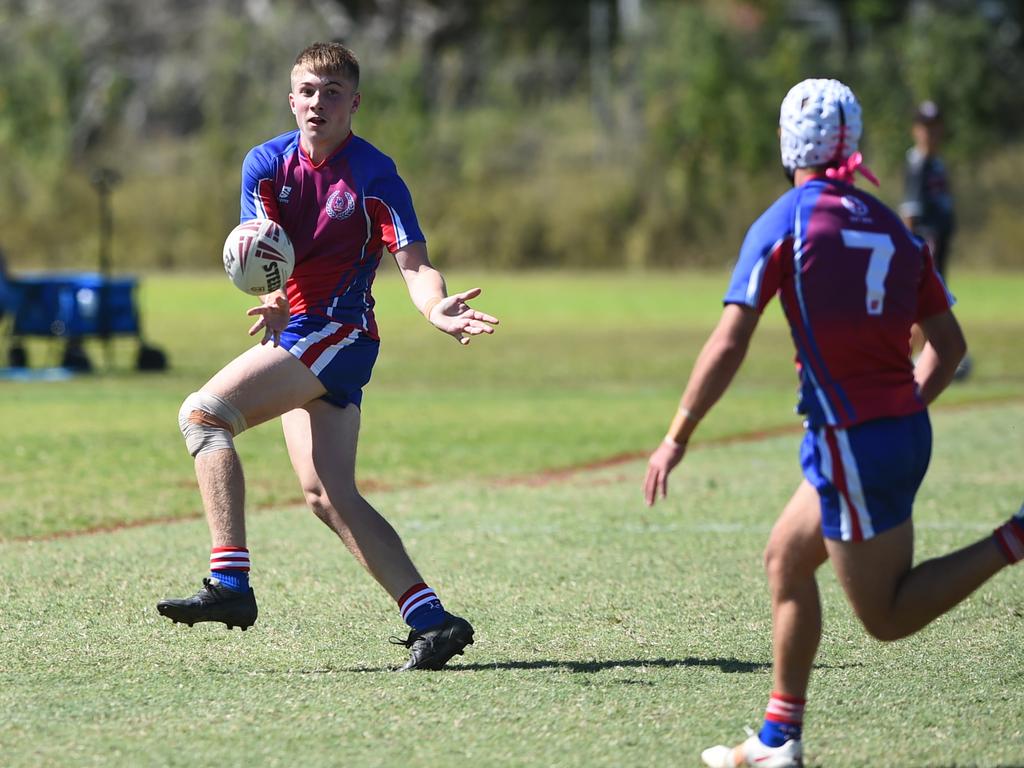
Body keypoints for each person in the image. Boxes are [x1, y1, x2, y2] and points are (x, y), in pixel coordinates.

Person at [642, 79, 1024, 767]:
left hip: (854, 442)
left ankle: (1015, 536)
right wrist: (901, 408)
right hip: (892, 431)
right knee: (785, 560)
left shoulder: (787, 219)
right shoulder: (891, 226)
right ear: (854, 140)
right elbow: (951, 345)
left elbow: (729, 341)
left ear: (789, 143)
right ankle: (777, 740)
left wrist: (678, 434)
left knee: (886, 617)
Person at [157, 42, 498, 671]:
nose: (319, 102)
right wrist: (274, 302)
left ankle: (230, 584)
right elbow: (264, 249)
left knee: (204, 416)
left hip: (339, 333)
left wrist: (434, 306)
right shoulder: (264, 164)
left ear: (354, 103)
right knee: (326, 494)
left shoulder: (374, 174)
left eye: (333, 91)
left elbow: (414, 262)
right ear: (291, 100)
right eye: (308, 91)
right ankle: (432, 620)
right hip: (299, 335)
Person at [900, 100, 970, 379]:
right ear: (916, 130)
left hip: (940, 243)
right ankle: (915, 357)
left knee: (935, 298)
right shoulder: (918, 164)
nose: (931, 133)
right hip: (924, 243)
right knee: (925, 302)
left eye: (935, 126)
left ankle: (925, 353)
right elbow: (910, 211)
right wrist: (908, 247)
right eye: (925, 127)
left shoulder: (937, 163)